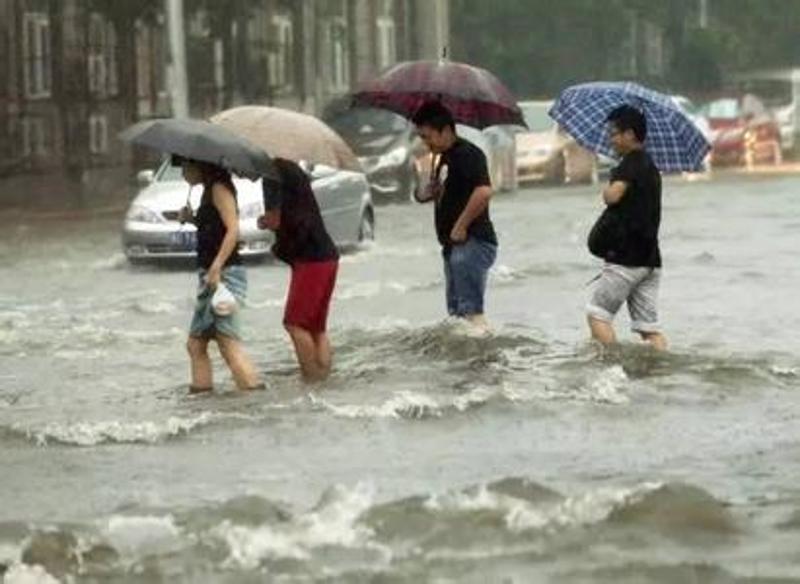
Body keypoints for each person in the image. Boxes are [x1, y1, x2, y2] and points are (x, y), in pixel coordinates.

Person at [177, 156, 263, 392]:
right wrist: (192, 219)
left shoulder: (219, 188)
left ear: (200, 165)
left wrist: (217, 267)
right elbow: (214, 228)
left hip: (224, 275)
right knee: (196, 344)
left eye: (186, 167)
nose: (183, 173)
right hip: (211, 274)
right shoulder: (207, 189)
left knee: (228, 343)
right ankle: (202, 398)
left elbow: (233, 229)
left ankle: (255, 398)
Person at [586, 105, 668, 351]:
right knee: (648, 328)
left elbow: (613, 196)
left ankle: (611, 366)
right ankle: (661, 365)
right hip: (650, 261)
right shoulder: (651, 167)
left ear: (630, 134)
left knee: (597, 315)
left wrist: (606, 189)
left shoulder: (630, 163)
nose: (611, 139)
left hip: (626, 259)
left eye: (614, 133)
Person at [411, 100, 497, 329]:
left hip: (472, 241)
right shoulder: (443, 158)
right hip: (453, 245)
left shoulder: (468, 154)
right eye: (421, 137)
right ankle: (464, 362)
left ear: (446, 130)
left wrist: (461, 226)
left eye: (427, 136)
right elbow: (426, 195)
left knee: (470, 311)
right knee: (456, 315)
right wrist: (428, 187)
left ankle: (482, 358)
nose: (425, 142)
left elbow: (484, 191)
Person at [258, 158, 339, 382]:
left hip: (310, 258)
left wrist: (264, 221)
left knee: (294, 324)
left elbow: (275, 220)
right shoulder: (291, 169)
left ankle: (312, 381)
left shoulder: (271, 175)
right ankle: (325, 380)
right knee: (316, 327)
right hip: (326, 254)